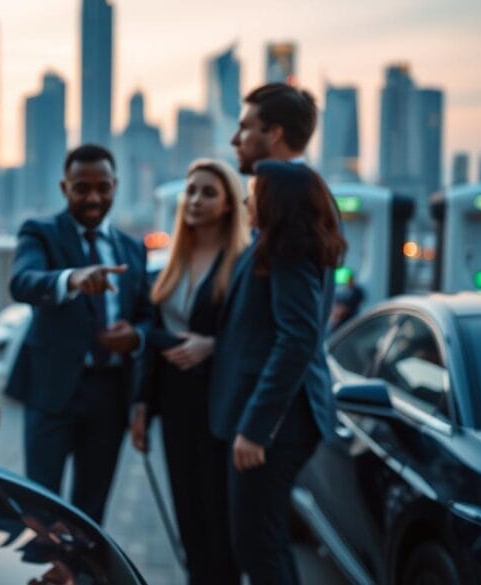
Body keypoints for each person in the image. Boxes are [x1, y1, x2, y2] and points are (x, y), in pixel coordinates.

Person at [211, 83, 347, 585]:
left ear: (275, 133)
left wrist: (256, 426)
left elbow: (298, 334)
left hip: (276, 423)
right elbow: (273, 319)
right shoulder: (302, 190)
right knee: (261, 545)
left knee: (258, 548)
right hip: (283, 417)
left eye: (246, 128)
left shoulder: (285, 191)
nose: (236, 139)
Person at [6, 144, 152, 523]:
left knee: (91, 511)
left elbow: (148, 317)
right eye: (81, 188)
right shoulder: (40, 232)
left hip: (110, 395)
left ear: (115, 186)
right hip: (52, 391)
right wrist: (71, 279)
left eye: (102, 187)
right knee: (39, 508)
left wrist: (135, 335)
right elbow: (23, 281)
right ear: (63, 187)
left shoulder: (133, 248)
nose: (93, 197)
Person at [129, 158, 249, 585]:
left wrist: (213, 346)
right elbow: (153, 335)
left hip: (220, 406)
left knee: (220, 520)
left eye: (208, 192)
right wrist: (142, 404)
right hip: (175, 404)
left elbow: (256, 337)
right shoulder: (170, 260)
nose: (196, 200)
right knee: (188, 516)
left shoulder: (243, 263)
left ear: (229, 205)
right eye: (192, 191)